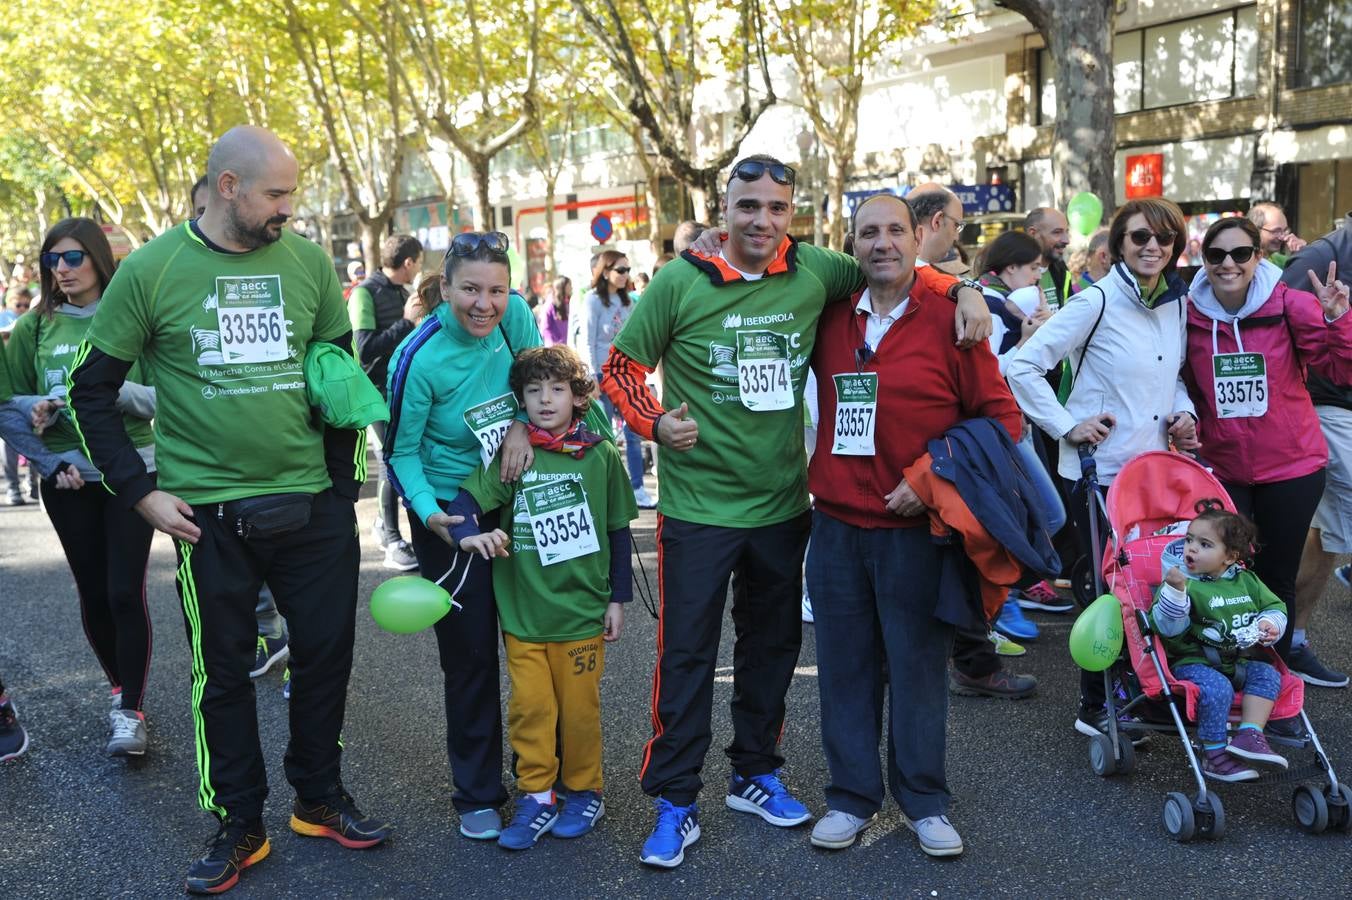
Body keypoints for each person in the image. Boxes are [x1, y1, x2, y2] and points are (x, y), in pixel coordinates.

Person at [600, 155, 991, 868]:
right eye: (749, 207)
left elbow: (896, 265)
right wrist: (655, 424)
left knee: (772, 650)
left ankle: (755, 771)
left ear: (793, 214)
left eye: (777, 208)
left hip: (784, 507)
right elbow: (619, 370)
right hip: (698, 510)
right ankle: (676, 800)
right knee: (687, 656)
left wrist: (963, 285)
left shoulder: (816, 270)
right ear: (725, 207)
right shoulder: (679, 281)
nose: (763, 221)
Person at [67, 125, 390, 895]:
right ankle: (239, 819)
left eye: (292, 193)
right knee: (225, 674)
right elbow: (91, 389)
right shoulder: (150, 270)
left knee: (324, 659)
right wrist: (139, 492)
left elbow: (338, 384)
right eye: (276, 193)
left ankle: (319, 798)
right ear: (227, 187)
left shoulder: (309, 263)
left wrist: (343, 494)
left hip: (311, 508)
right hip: (205, 515)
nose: (289, 207)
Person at [805, 193, 1024, 857]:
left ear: (915, 236)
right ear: (852, 245)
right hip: (836, 528)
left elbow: (1001, 422)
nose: (882, 244)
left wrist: (930, 476)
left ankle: (925, 800)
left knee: (918, 671)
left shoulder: (954, 320)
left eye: (894, 230)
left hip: (916, 534)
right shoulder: (827, 315)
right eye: (868, 233)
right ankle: (850, 798)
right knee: (844, 670)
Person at [1007, 196, 1200, 738]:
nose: (1153, 247)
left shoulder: (1175, 303)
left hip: (1158, 474)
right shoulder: (1095, 301)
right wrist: (1068, 425)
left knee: (1152, 587)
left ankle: (1144, 690)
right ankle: (1097, 704)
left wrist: (1182, 414)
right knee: (1104, 593)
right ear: (1119, 244)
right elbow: (1024, 367)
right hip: (1100, 475)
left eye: (1163, 238)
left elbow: (1171, 377)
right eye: (1140, 237)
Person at [444, 344, 637, 849]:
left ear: (578, 398)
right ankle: (536, 796)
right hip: (524, 616)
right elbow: (467, 501)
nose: (545, 400)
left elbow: (619, 530)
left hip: (581, 615)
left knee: (577, 713)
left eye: (557, 389)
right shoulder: (515, 456)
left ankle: (584, 790)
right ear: (520, 401)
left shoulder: (600, 456)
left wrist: (618, 598)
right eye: (534, 391)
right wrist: (465, 529)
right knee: (531, 710)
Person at [383, 230, 536, 842]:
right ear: (443, 289)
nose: (484, 304)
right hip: (452, 510)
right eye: (470, 289)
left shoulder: (516, 315)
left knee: (534, 638)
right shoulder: (416, 357)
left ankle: (542, 782)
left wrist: (524, 426)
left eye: (496, 290)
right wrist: (430, 514)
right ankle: (477, 790)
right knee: (471, 654)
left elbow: (540, 376)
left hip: (517, 491)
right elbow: (401, 451)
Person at [7, 218, 157, 758]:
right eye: (52, 261)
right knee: (93, 591)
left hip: (131, 473)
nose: (62, 270)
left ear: (98, 259)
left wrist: (108, 393)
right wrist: (43, 442)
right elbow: (9, 402)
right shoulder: (35, 326)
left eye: (72, 258)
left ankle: (131, 711)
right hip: (67, 481)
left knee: (124, 590)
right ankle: (121, 689)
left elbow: (166, 397)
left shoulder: (132, 318)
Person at [1180, 216, 1351, 669]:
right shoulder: (1189, 312)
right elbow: (1178, 379)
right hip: (1222, 466)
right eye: (1216, 255)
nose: (1228, 264)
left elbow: (1341, 371)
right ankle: (1222, 672)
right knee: (1222, 570)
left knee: (1276, 579)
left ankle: (1270, 680)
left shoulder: (1290, 304)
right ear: (1204, 260)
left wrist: (1338, 319)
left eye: (1240, 253)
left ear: (1258, 256)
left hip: (1292, 468)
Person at [907, 184, 1043, 691]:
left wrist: (961, 290)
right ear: (934, 223)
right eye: (958, 223)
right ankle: (973, 658)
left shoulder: (952, 289)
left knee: (980, 546)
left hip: (965, 446)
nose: (885, 245)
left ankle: (976, 657)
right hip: (944, 456)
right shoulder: (933, 286)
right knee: (968, 549)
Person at [1152, 504, 1290, 781]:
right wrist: (1176, 593)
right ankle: (1213, 753)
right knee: (1218, 688)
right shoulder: (1182, 584)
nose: (1191, 548)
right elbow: (1168, 628)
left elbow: (1274, 606)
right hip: (1192, 660)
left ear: (1230, 557)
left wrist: (1270, 624)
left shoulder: (1246, 581)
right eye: (1189, 539)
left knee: (1268, 675)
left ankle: (1250, 734)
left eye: (1204, 544)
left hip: (1238, 658)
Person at [976, 231, 1069, 622]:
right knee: (1046, 514)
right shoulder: (990, 306)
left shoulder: (1000, 303)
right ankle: (1009, 591)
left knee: (1039, 513)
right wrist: (1027, 342)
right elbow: (988, 373)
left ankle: (1011, 590)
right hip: (1001, 428)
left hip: (1013, 424)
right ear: (1010, 268)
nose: (1038, 276)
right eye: (1033, 268)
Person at [1283, 209, 1352, 688]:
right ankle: (1285, 640)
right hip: (1330, 407)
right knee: (1327, 531)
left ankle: (1291, 640)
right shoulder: (1325, 254)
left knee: (1326, 536)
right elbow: (1277, 327)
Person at [349, 233, 424, 571]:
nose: (418, 269)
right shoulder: (365, 293)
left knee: (402, 460)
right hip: (374, 395)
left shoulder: (405, 294)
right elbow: (364, 348)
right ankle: (391, 537)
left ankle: (388, 527)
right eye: (418, 263)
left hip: (403, 392)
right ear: (408, 262)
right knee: (390, 463)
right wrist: (407, 322)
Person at [585, 250, 653, 509]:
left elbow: (636, 338)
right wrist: (592, 376)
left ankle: (637, 489)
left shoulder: (628, 301)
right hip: (601, 375)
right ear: (605, 272)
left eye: (628, 270)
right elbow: (588, 342)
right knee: (604, 437)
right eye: (620, 270)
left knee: (633, 432)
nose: (626, 275)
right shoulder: (592, 300)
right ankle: (609, 492)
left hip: (626, 374)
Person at [1024, 206, 1074, 309]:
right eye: (1057, 232)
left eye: (1066, 232)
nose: (1066, 240)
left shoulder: (1062, 270)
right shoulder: (1013, 273)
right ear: (1033, 234)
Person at [1247, 202, 1307, 269]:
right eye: (1276, 231)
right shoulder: (1242, 262)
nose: (1283, 237)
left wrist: (1302, 255)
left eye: (1285, 230)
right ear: (1255, 229)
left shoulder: (1279, 261)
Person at [536, 276, 571, 346]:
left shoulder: (568, 303)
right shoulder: (549, 305)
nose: (571, 288)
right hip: (554, 349)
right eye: (569, 285)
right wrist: (551, 346)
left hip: (566, 348)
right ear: (562, 287)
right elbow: (545, 329)